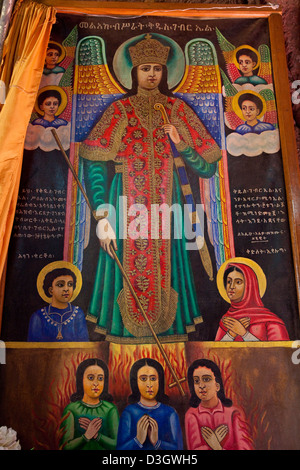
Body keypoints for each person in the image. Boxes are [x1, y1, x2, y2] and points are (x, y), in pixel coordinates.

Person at [79, 33, 222, 343]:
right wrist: (102, 217)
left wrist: (180, 142)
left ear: (165, 71)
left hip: (167, 208)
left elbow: (207, 167)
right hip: (122, 205)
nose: (152, 74)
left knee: (168, 267)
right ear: (134, 72)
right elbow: (93, 163)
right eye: (145, 68)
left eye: (157, 68)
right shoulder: (118, 111)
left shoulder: (178, 110)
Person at [185, 359, 254, 450]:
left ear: (217, 386)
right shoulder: (192, 415)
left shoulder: (234, 413)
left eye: (206, 379)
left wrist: (216, 446)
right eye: (196, 381)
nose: (201, 385)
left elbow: (245, 448)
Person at [116, 358, 183, 450]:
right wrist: (138, 440)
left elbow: (179, 448)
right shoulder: (129, 412)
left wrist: (157, 442)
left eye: (153, 378)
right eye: (143, 379)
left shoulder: (170, 412)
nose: (149, 384)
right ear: (135, 382)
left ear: (159, 381)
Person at [215, 260, 290, 341]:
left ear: (250, 286)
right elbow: (214, 352)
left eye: (238, 282)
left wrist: (244, 333)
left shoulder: (270, 321)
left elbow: (280, 351)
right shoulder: (227, 321)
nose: (231, 286)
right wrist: (230, 334)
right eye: (229, 281)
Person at [59, 358, 119, 450]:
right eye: (90, 378)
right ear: (81, 380)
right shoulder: (71, 409)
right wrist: (86, 436)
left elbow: (117, 444)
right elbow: (65, 447)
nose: (96, 383)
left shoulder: (110, 409)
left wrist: (97, 436)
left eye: (100, 378)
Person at [27, 262, 89, 342]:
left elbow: (84, 346)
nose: (66, 289)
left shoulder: (78, 314)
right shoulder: (38, 317)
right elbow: (33, 349)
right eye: (60, 285)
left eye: (70, 284)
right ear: (51, 290)